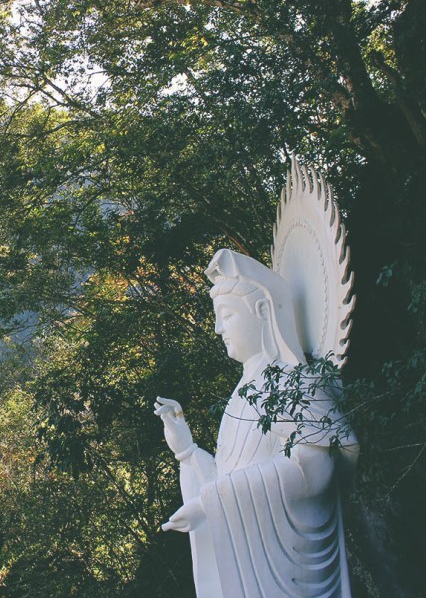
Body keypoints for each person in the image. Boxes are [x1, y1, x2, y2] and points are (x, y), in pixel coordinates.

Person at [156, 248, 356, 598]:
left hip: (289, 566)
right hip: (254, 564)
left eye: (227, 315)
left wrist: (210, 501)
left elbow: (314, 470)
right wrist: (187, 451)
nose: (218, 329)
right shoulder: (242, 391)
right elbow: (231, 471)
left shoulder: (297, 381)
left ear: (262, 310)